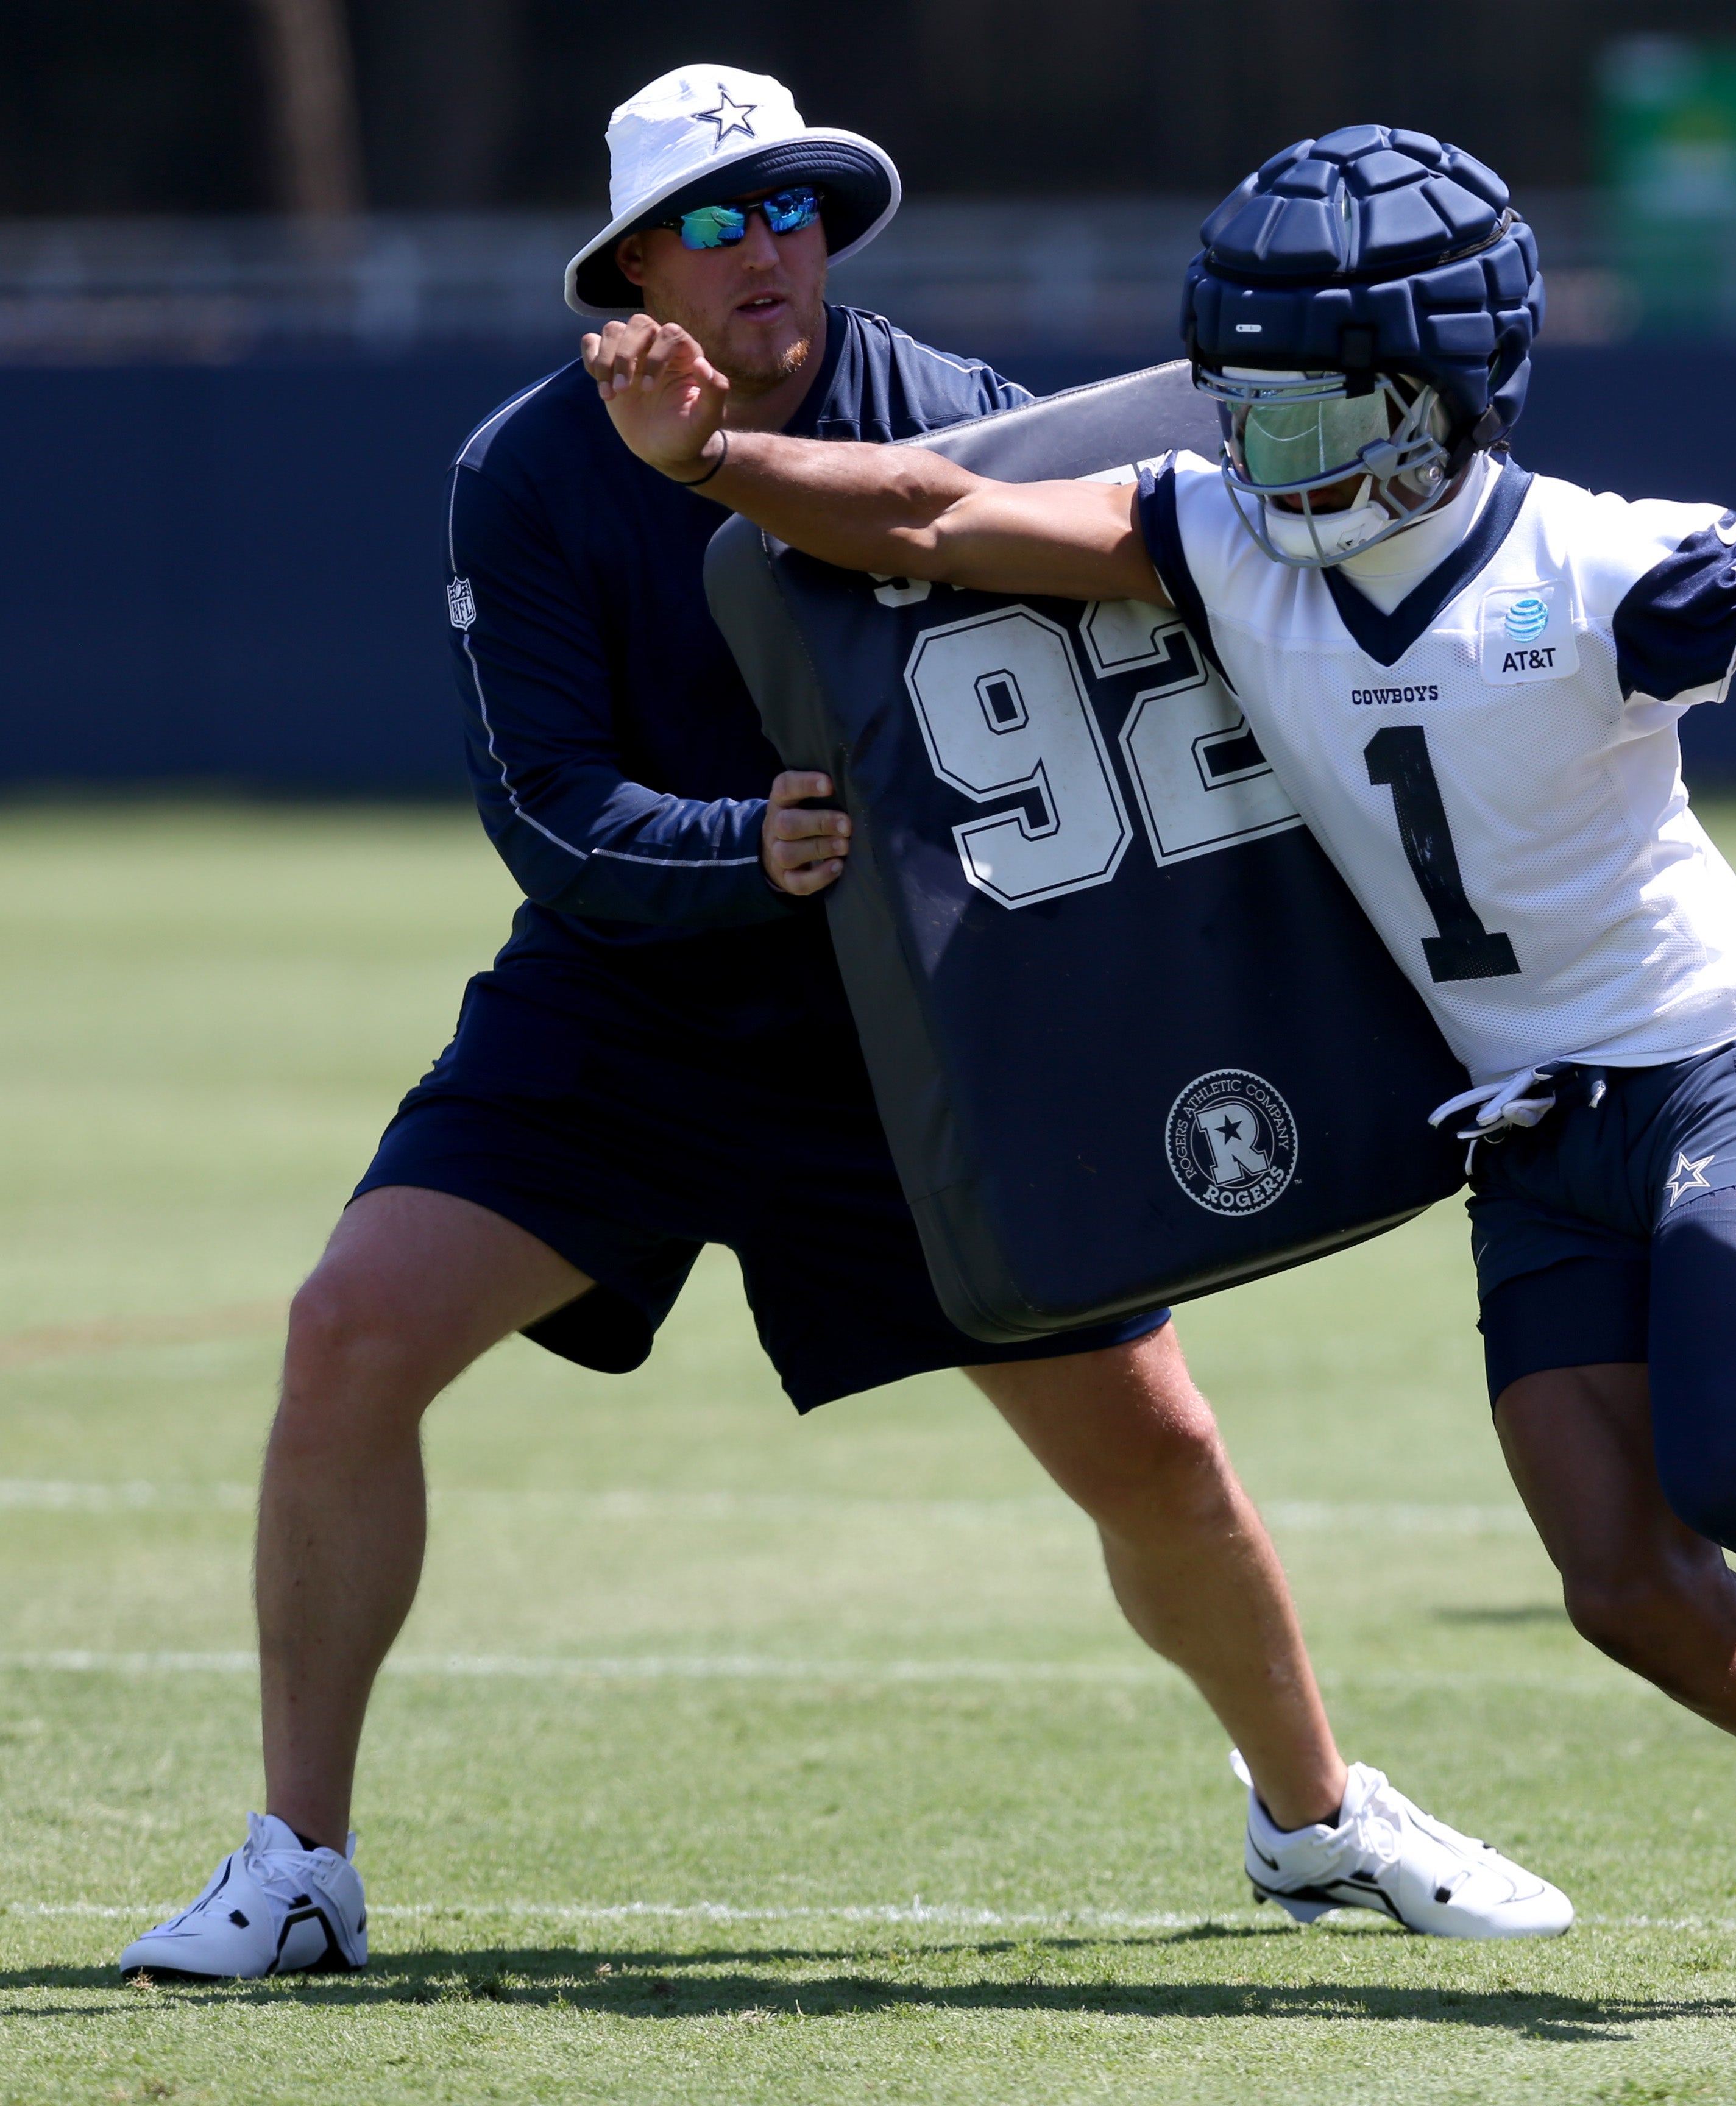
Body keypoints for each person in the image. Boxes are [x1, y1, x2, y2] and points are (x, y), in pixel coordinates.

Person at [587, 121, 1736, 2012]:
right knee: (1635, 1593)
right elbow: (926, 518)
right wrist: (713, 461)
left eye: (1304, 413)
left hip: (1719, 1075)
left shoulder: (1592, 563)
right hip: (1532, 1131)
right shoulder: (1220, 537)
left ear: (1434, 402)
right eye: (1241, 407)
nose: (1255, 452)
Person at [118, 68, 1566, 1985]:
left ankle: (1314, 1818)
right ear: (628, 273)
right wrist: (755, 846)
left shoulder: (968, 425)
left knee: (1158, 1447)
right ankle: (298, 1862)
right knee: (349, 1331)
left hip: (925, 1045)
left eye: (792, 206)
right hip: (625, 1022)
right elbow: (545, 806)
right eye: (713, 223)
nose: (765, 248)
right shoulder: (529, 472)